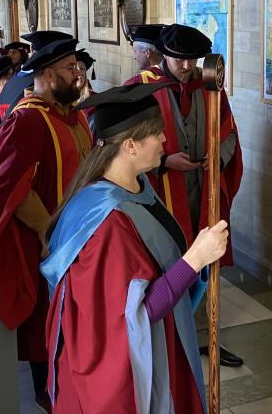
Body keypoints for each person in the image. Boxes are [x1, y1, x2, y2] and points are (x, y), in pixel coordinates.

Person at [40, 82, 227, 413]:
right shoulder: (107, 224)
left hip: (165, 341)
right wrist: (195, 260)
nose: (165, 141)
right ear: (129, 146)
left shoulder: (137, 187)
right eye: (157, 135)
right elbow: (133, 317)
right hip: (132, 368)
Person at [0, 37, 92, 412]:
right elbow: (9, 187)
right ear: (45, 75)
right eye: (70, 69)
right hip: (47, 245)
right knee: (46, 326)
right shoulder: (27, 120)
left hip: (79, 238)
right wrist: (49, 229)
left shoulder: (72, 114)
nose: (79, 76)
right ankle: (49, 394)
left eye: (78, 68)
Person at [125, 23, 244, 367]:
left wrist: (215, 158)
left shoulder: (209, 87)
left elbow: (229, 132)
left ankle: (208, 337)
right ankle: (170, 335)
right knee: (169, 261)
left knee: (208, 257)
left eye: (193, 59)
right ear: (164, 55)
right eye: (181, 60)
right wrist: (163, 161)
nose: (188, 66)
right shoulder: (139, 89)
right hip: (162, 193)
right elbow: (124, 148)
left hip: (202, 192)